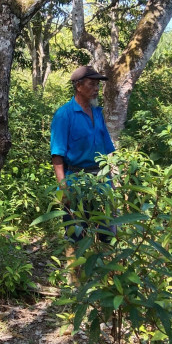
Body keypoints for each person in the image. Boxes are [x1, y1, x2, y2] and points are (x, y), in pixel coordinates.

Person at [50, 65, 116, 246]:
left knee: (107, 234)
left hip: (101, 181)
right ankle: (75, 272)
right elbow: (57, 154)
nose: (96, 89)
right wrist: (63, 188)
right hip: (75, 181)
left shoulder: (98, 113)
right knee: (75, 235)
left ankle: (104, 272)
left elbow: (106, 151)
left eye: (97, 85)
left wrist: (110, 181)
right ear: (79, 86)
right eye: (92, 84)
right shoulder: (64, 115)